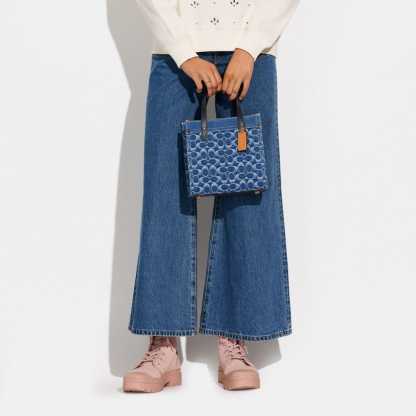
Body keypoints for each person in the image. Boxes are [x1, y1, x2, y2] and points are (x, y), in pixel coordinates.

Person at [122, 0, 300, 392]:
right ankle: (163, 344)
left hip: (251, 55)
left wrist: (249, 47)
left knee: (248, 195)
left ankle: (235, 339)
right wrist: (183, 51)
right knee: (165, 195)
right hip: (174, 57)